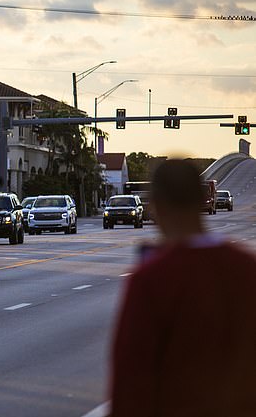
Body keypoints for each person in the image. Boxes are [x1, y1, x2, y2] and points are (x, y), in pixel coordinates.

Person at [109, 159, 256, 417]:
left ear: (154, 205)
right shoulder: (246, 268)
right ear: (203, 198)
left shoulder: (151, 279)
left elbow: (131, 380)